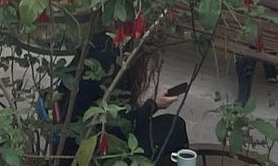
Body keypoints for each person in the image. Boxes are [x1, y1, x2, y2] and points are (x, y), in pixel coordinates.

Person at [58, 36, 192, 165]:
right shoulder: (110, 62)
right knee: (174, 130)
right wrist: (153, 105)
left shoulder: (101, 43)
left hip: (80, 137)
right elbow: (121, 125)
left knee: (172, 124)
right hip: (91, 147)